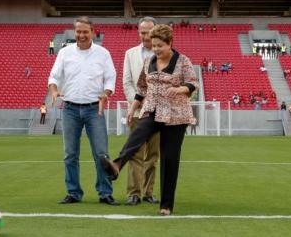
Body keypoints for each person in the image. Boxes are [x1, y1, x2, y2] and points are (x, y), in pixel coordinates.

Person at [100, 24, 200, 216]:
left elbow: (193, 83)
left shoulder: (183, 61)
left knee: (169, 159)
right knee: (137, 135)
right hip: (152, 110)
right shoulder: (149, 61)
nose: (156, 49)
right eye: (154, 45)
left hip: (175, 114)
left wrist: (180, 89)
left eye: (160, 45)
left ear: (170, 43)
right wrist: (133, 107)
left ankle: (166, 205)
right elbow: (142, 88)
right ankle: (117, 165)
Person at [48, 16, 119, 206]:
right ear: (74, 32)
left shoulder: (103, 54)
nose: (81, 35)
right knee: (70, 154)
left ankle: (105, 193)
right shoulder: (65, 53)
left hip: (94, 109)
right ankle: (73, 192)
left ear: (93, 32)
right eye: (78, 31)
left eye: (85, 31)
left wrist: (106, 93)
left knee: (101, 154)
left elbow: (111, 78)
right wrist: (54, 90)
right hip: (70, 108)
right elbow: (54, 75)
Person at [122, 17, 160, 206]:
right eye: (142, 32)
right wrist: (136, 102)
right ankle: (134, 193)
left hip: (157, 113)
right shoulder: (130, 54)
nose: (145, 35)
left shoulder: (163, 52)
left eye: (149, 32)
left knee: (152, 155)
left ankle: (148, 192)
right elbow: (127, 82)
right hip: (137, 113)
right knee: (135, 153)